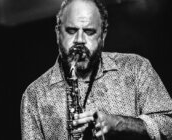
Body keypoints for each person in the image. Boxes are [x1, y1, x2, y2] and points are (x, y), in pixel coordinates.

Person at [20, 0, 172, 139]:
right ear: (58, 33)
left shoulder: (136, 68)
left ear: (103, 36)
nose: (79, 40)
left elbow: (169, 126)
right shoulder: (34, 96)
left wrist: (121, 124)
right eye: (71, 31)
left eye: (89, 31)